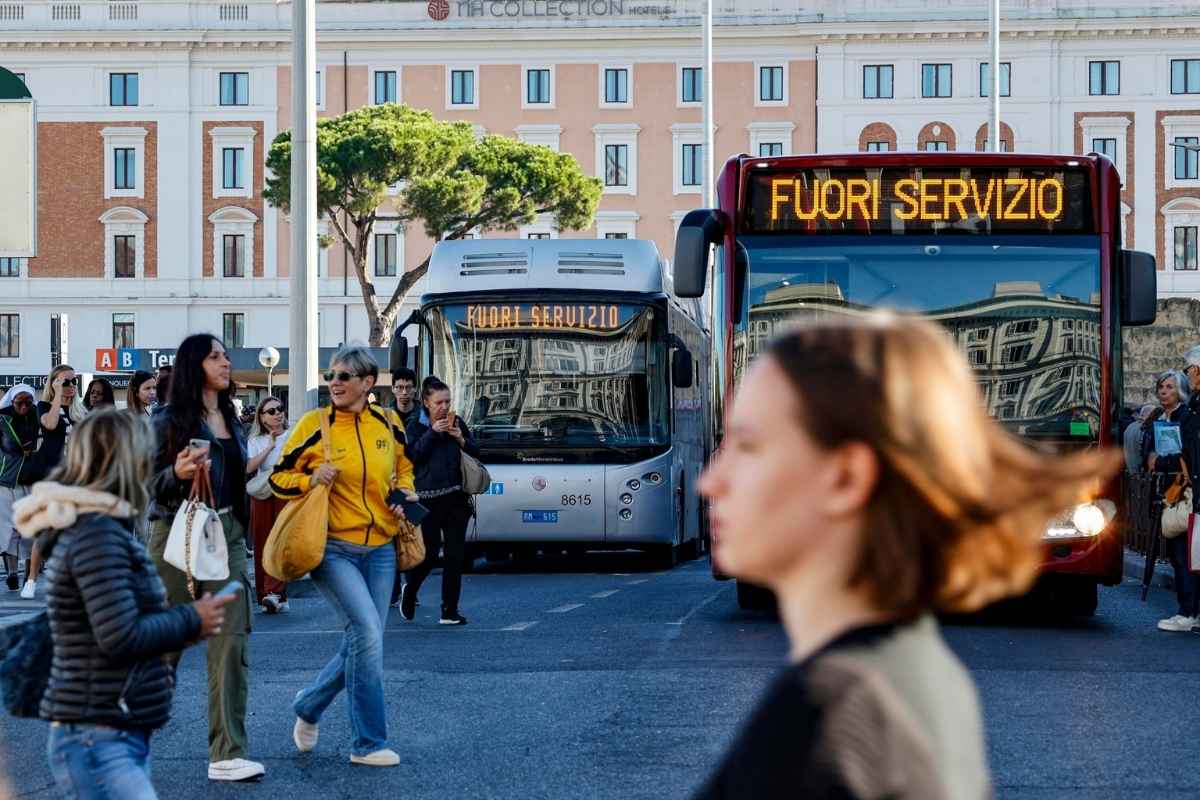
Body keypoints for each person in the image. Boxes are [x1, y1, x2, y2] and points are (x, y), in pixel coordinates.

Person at [691, 315, 1117, 800]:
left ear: (846, 478)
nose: (711, 480)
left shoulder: (832, 710)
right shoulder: (907, 674)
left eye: (748, 445)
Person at [14, 408, 234, 800]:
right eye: (144, 454)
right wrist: (190, 619)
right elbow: (119, 635)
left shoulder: (97, 528)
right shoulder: (97, 536)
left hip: (105, 727)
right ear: (123, 461)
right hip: (98, 733)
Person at [270, 345, 417, 767]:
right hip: (332, 548)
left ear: (368, 383)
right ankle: (368, 743)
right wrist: (310, 477)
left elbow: (403, 468)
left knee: (366, 639)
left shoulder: (389, 423)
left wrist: (405, 492)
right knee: (367, 633)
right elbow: (278, 477)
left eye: (344, 376)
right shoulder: (315, 425)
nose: (334, 382)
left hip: (382, 549)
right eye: (331, 375)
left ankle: (309, 704)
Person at [146, 334, 262, 782]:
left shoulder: (232, 418)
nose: (226, 361)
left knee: (231, 641)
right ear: (195, 365)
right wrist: (174, 473)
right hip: (178, 532)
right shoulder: (167, 420)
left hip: (227, 533)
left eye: (227, 355)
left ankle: (227, 753)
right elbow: (145, 485)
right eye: (215, 356)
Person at [400, 376, 480, 626]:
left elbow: (477, 453)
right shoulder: (416, 426)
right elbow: (410, 458)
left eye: (447, 401)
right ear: (426, 402)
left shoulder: (457, 422)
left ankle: (449, 611)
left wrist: (461, 440)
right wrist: (433, 434)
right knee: (430, 555)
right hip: (426, 502)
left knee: (456, 557)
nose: (444, 407)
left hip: (456, 498)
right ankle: (410, 590)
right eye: (438, 402)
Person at [246, 397, 290, 614]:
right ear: (262, 418)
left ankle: (276, 593)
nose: (277, 414)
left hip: (286, 490)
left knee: (280, 542)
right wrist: (270, 446)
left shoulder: (293, 435)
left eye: (280, 409)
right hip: (262, 492)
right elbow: (249, 467)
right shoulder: (256, 440)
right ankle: (266, 594)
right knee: (262, 541)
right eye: (271, 411)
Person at [1, 385, 41, 595]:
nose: (24, 407)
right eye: (19, 403)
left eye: (28, 402)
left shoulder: (37, 416)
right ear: (12, 401)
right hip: (7, 480)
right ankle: (12, 573)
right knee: (9, 529)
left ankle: (29, 572)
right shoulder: (3, 419)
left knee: (30, 529)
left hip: (32, 479)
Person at [1142, 370, 1189, 473]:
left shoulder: (1187, 417)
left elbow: (1190, 455)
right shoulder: (1156, 416)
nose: (1163, 391)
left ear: (1180, 391)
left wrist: (1159, 462)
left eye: (1169, 387)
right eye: (1161, 387)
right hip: (1157, 480)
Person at [1124, 403, 1156, 474]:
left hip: (1131, 472)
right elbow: (1144, 452)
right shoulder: (1146, 429)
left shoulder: (1130, 427)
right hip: (1141, 472)